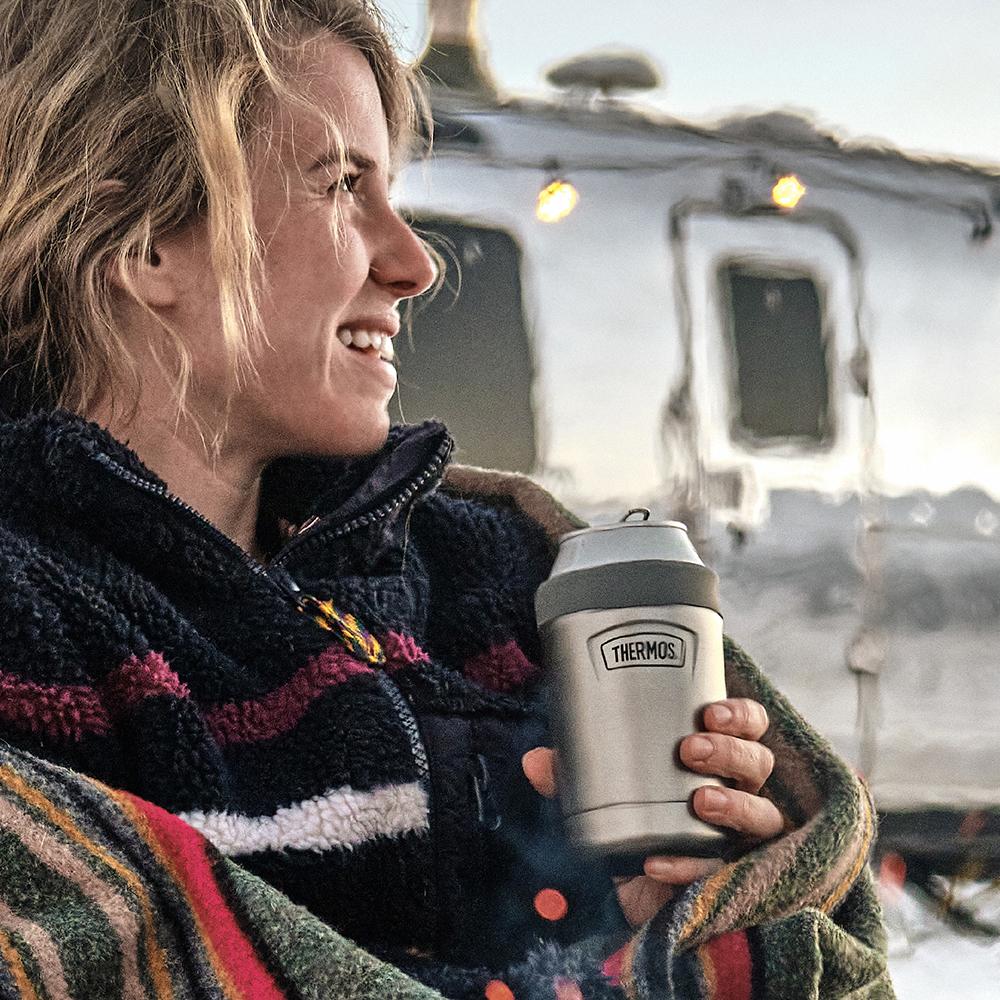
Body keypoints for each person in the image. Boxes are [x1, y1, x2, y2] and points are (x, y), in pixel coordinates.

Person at [0, 2, 893, 997]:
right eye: (342, 185)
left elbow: (819, 946)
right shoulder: (32, 620)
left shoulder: (496, 575)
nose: (414, 264)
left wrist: (685, 912)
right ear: (142, 245)